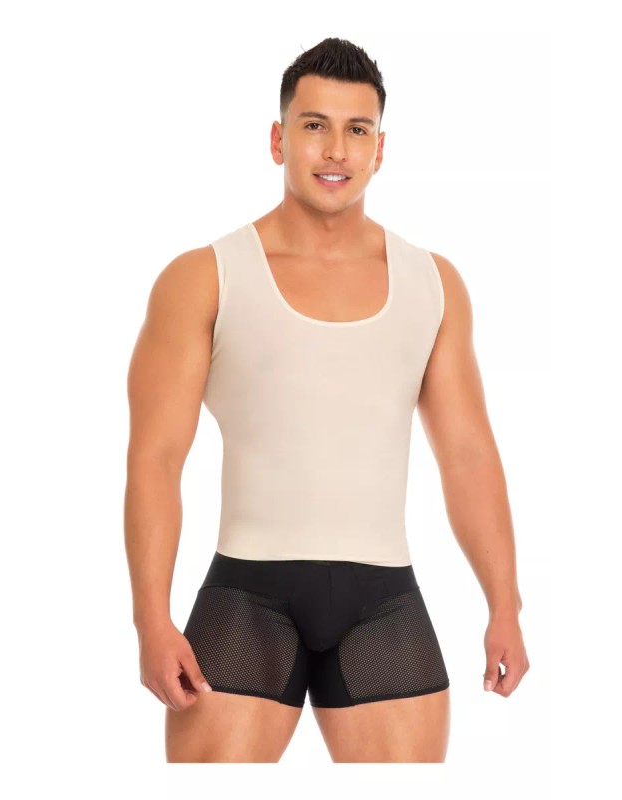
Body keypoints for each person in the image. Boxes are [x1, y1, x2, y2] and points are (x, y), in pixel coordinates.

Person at [124, 36, 529, 763]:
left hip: (384, 607)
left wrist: (505, 604)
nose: (336, 150)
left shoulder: (432, 283)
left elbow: (468, 454)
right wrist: (150, 619)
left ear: (380, 148)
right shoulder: (204, 277)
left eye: (357, 129)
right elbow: (156, 458)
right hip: (247, 601)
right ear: (278, 140)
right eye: (314, 126)